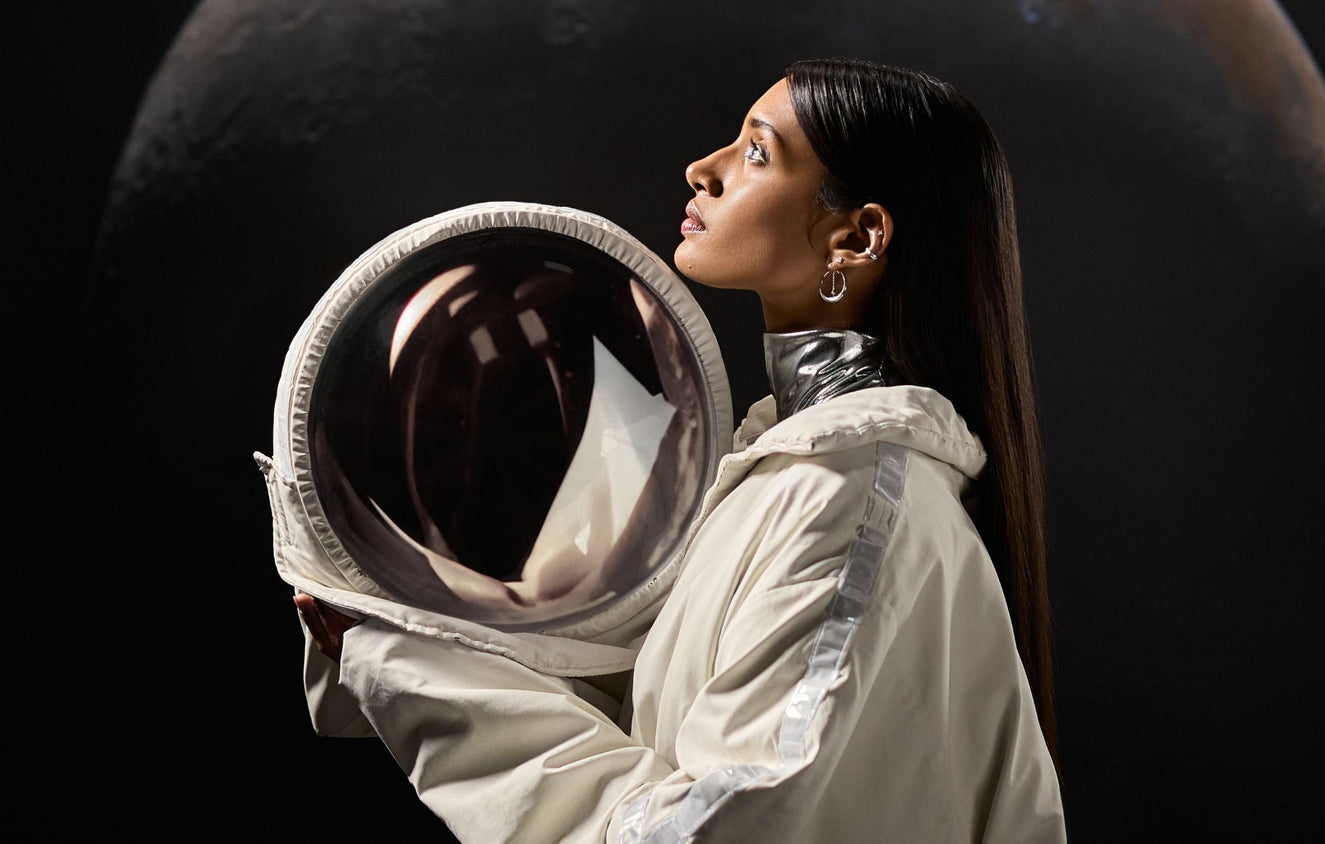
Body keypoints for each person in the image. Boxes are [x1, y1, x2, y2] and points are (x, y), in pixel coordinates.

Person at [294, 57, 1065, 842]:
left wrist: (418, 676)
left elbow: (713, 828)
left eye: (757, 152)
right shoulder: (790, 475)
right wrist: (399, 643)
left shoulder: (848, 503)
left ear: (856, 236)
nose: (703, 169)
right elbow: (635, 714)